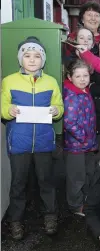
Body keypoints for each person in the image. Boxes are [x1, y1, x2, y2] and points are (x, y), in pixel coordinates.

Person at [1, 36, 64, 239]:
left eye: (37, 56)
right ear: (21, 59)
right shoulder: (9, 81)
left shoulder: (51, 81)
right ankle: (16, 221)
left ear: (43, 60)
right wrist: (9, 110)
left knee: (46, 181)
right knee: (18, 183)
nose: (32, 59)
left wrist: (56, 111)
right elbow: (3, 110)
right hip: (19, 143)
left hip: (44, 142)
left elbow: (60, 107)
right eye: (27, 55)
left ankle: (50, 215)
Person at [63, 59, 98, 216]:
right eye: (78, 76)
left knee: (87, 173)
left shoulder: (84, 91)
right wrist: (84, 138)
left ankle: (85, 199)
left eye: (85, 75)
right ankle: (75, 205)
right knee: (76, 177)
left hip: (87, 143)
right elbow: (69, 122)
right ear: (70, 77)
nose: (83, 79)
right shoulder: (71, 96)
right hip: (76, 145)